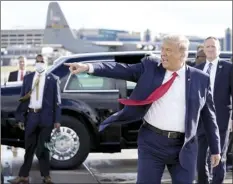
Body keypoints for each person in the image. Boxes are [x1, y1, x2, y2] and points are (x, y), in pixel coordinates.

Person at [64, 34, 221, 184]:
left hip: (184, 146)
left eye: (168, 50)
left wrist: (216, 149)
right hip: (152, 143)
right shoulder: (150, 67)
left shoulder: (200, 79)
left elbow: (209, 116)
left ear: (182, 54)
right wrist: (88, 67)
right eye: (162, 49)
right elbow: (120, 69)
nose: (163, 54)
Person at [8, 54, 61, 184]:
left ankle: (46, 176)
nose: (39, 63)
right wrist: (20, 117)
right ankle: (23, 176)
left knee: (43, 148)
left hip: (46, 118)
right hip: (31, 116)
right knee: (29, 148)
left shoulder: (53, 79)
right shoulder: (28, 78)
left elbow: (57, 102)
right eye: (37, 61)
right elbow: (23, 99)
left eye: (42, 61)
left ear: (46, 63)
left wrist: (57, 120)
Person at [196, 36, 233, 184]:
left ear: (219, 49)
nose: (211, 49)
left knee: (218, 155)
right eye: (208, 47)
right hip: (200, 120)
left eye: (213, 46)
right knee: (199, 157)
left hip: (221, 119)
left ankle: (217, 181)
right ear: (204, 49)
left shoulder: (229, 68)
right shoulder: (197, 69)